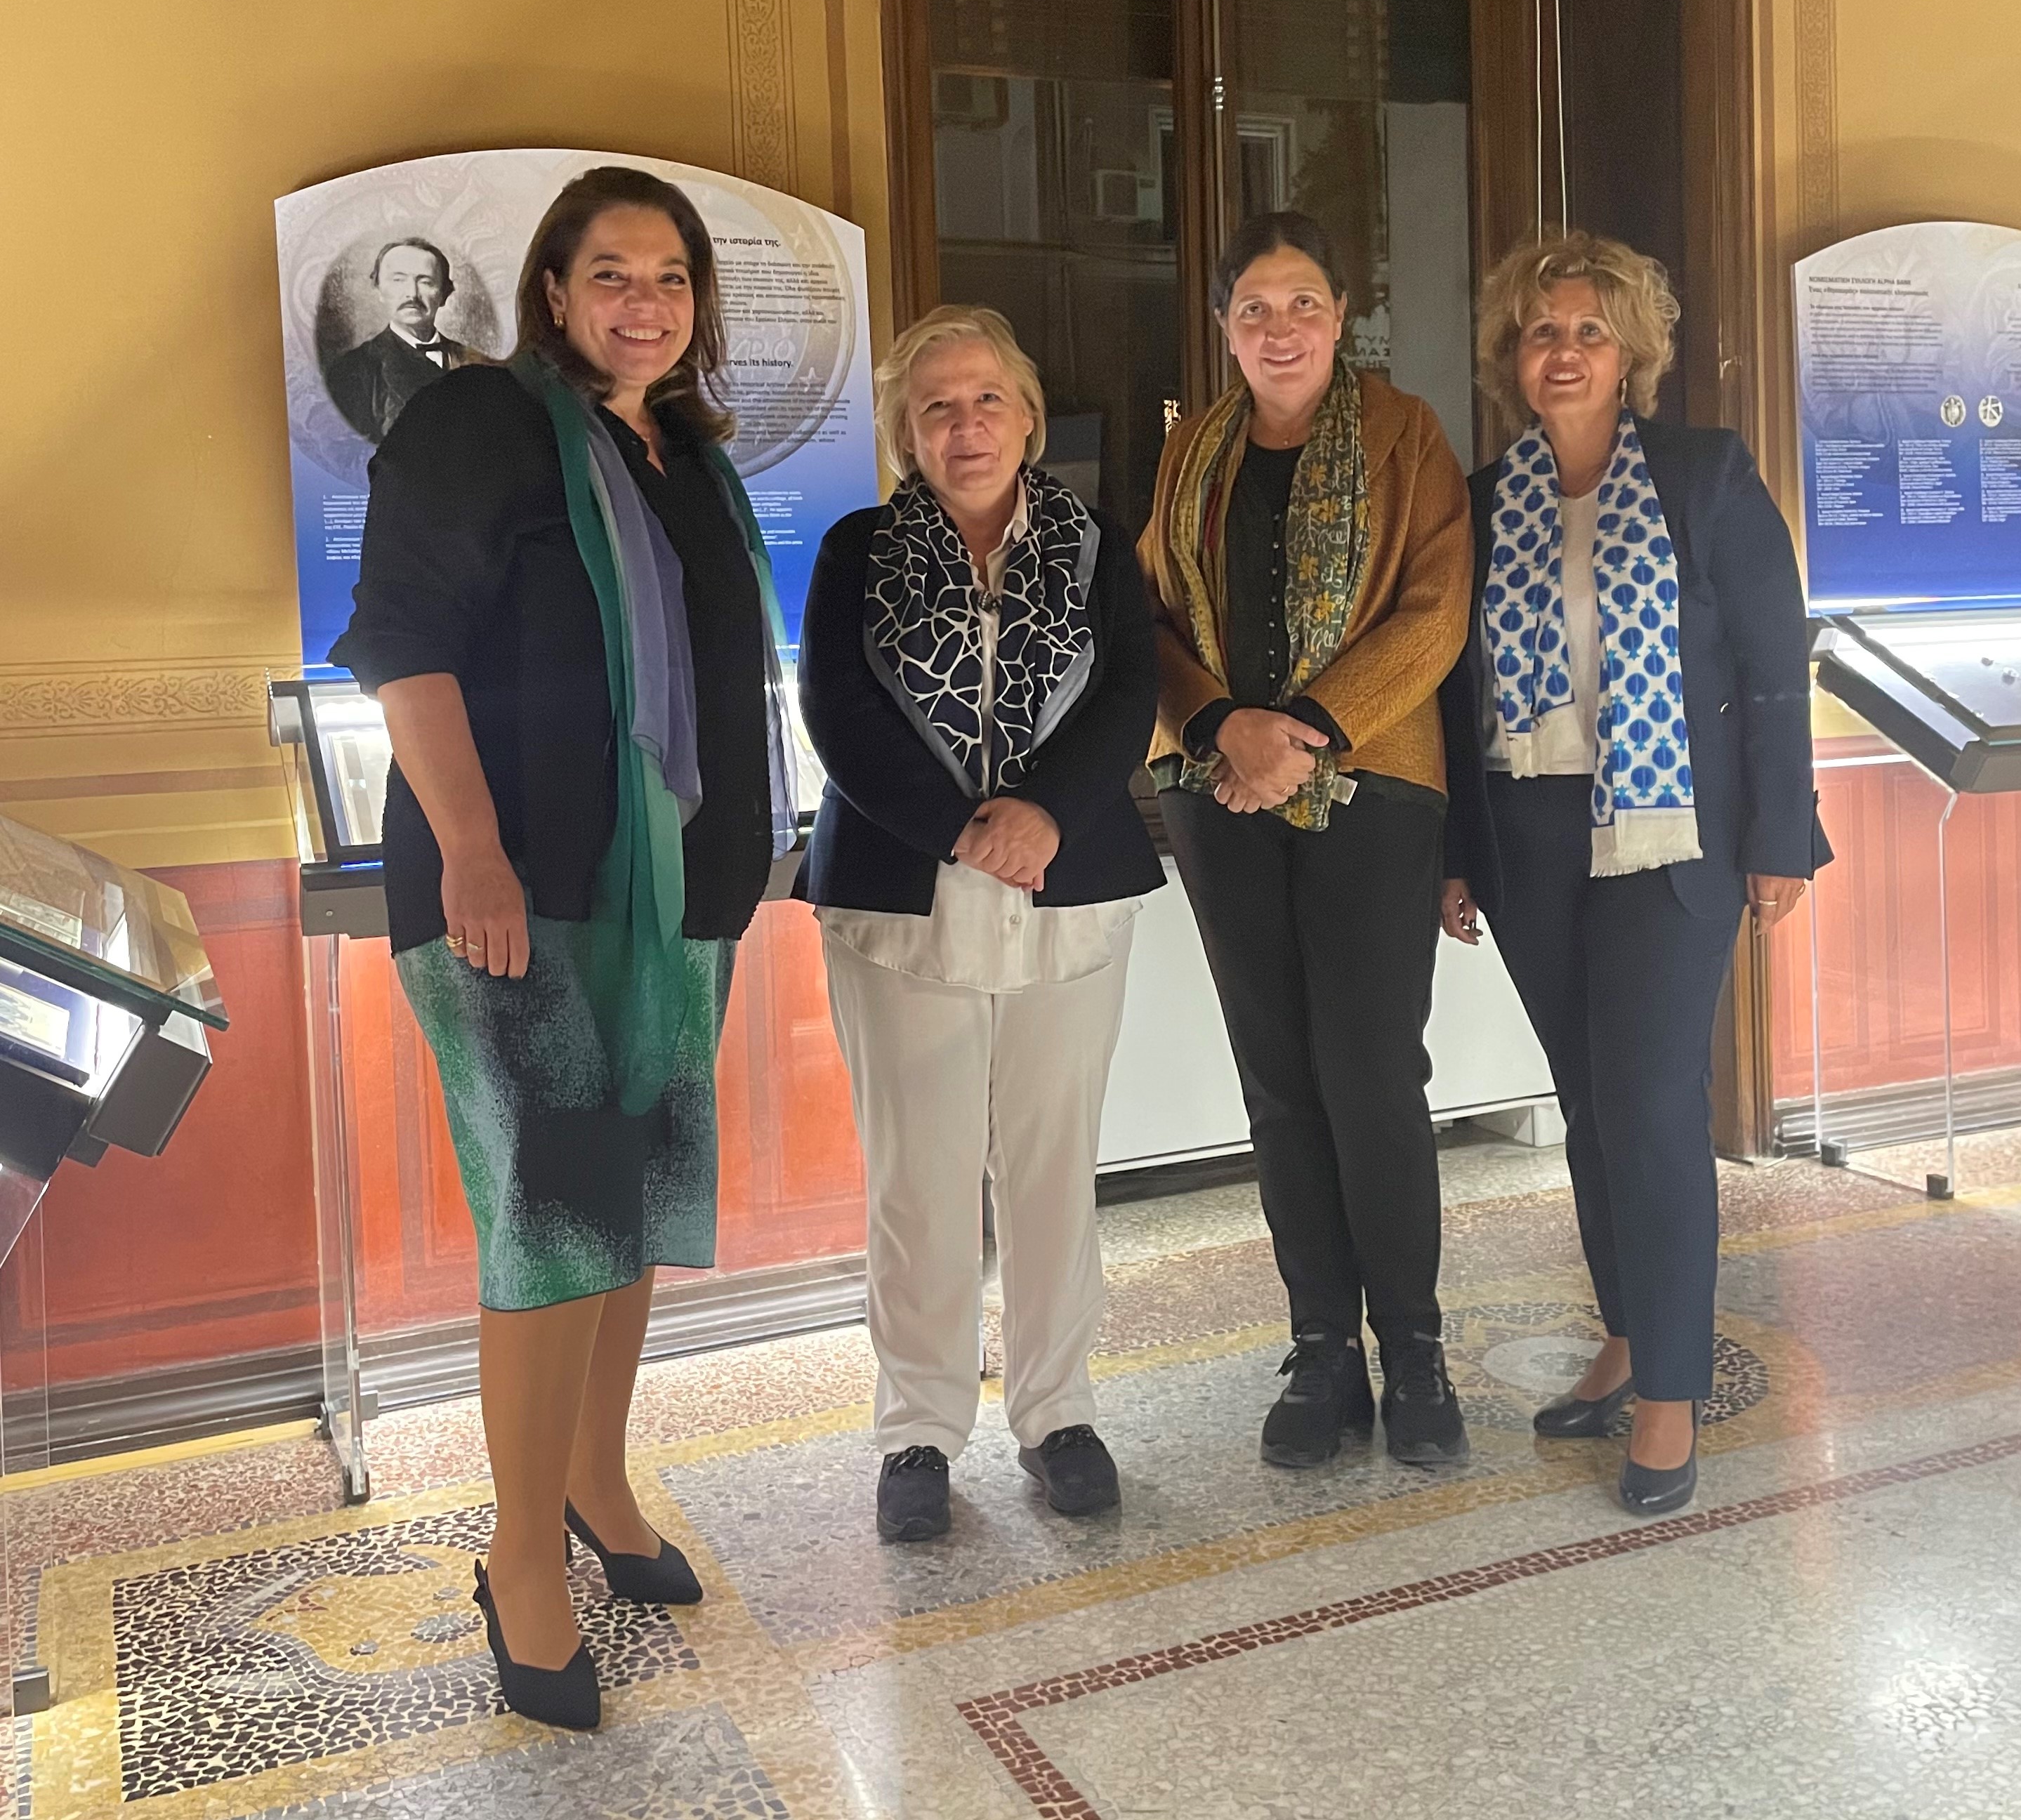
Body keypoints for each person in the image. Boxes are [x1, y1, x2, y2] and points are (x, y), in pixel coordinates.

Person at [331, 167, 794, 1728]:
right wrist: (469, 849)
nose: (643, 301)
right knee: (550, 1220)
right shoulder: (479, 423)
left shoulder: (681, 451)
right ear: (551, 289)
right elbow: (403, 643)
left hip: (665, 895)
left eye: (669, 277)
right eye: (611, 273)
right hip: (515, 887)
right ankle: (520, 1552)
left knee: (630, 1200)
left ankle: (595, 1477)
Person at [1437, 230, 1828, 1517]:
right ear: (1513, 356)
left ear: (1633, 355)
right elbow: (1457, 691)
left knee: (1654, 1108)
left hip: (1670, 838)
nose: (1563, 352)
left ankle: (1668, 1389)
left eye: (1589, 330)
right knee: (1589, 1103)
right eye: (1541, 331)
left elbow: (1773, 668)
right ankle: (1621, 1332)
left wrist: (1782, 837)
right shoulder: (1485, 497)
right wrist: (1455, 855)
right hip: (1534, 840)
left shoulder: (1706, 479)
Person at [798, 305, 1164, 1544]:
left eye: (987, 401)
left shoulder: (1094, 543)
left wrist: (1047, 815)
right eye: (938, 407)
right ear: (908, 430)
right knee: (920, 1182)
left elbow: (1129, 689)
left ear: (1027, 415)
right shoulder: (857, 550)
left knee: (1055, 1171)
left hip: (1063, 893)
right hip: (906, 896)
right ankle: (916, 1431)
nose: (966, 427)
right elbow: (837, 715)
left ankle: (1058, 1412)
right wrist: (961, 829)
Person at [1138, 209, 1473, 1473]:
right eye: (1252, 310)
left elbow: (1436, 611)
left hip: (1374, 791)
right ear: (1224, 331)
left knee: (1370, 1072)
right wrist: (1226, 727)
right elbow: (1152, 613)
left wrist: (1308, 732)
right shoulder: (1193, 454)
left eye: (1301, 305)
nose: (1278, 329)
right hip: (1219, 795)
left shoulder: (1405, 433)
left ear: (1341, 317)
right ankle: (1321, 1347)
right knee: (1279, 1083)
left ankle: (1418, 1347)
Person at [324, 236, 477, 444]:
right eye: (398, 280)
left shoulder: (476, 362)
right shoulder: (353, 371)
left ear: (443, 294)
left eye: (425, 281)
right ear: (379, 290)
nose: (412, 295)